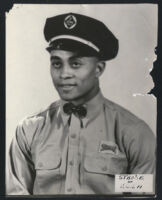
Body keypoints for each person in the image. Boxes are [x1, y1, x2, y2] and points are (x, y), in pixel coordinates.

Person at [7, 12, 156, 195]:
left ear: (98, 69)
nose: (64, 74)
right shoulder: (29, 130)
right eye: (56, 63)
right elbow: (16, 193)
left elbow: (141, 193)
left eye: (75, 64)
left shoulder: (133, 133)